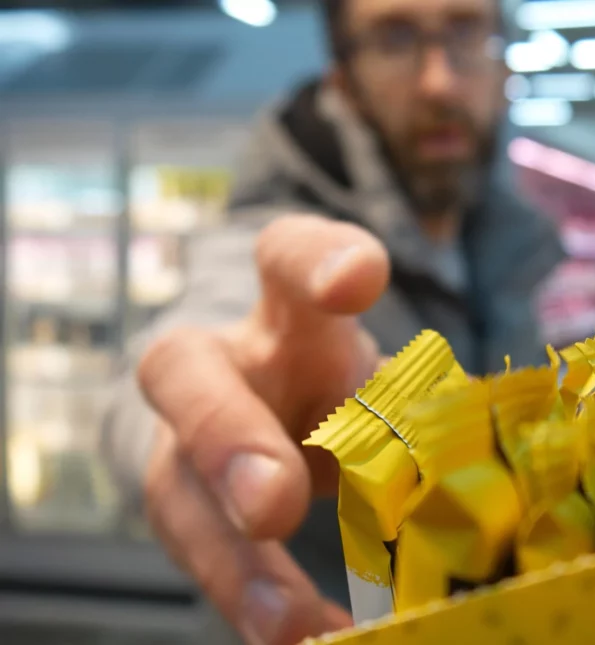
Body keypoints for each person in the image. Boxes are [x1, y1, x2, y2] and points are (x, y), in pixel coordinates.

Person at [100, 0, 564, 643]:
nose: (439, 79)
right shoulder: (292, 247)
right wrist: (180, 428)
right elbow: (191, 345)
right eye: (395, 38)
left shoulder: (510, 242)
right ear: (343, 80)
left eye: (465, 31)